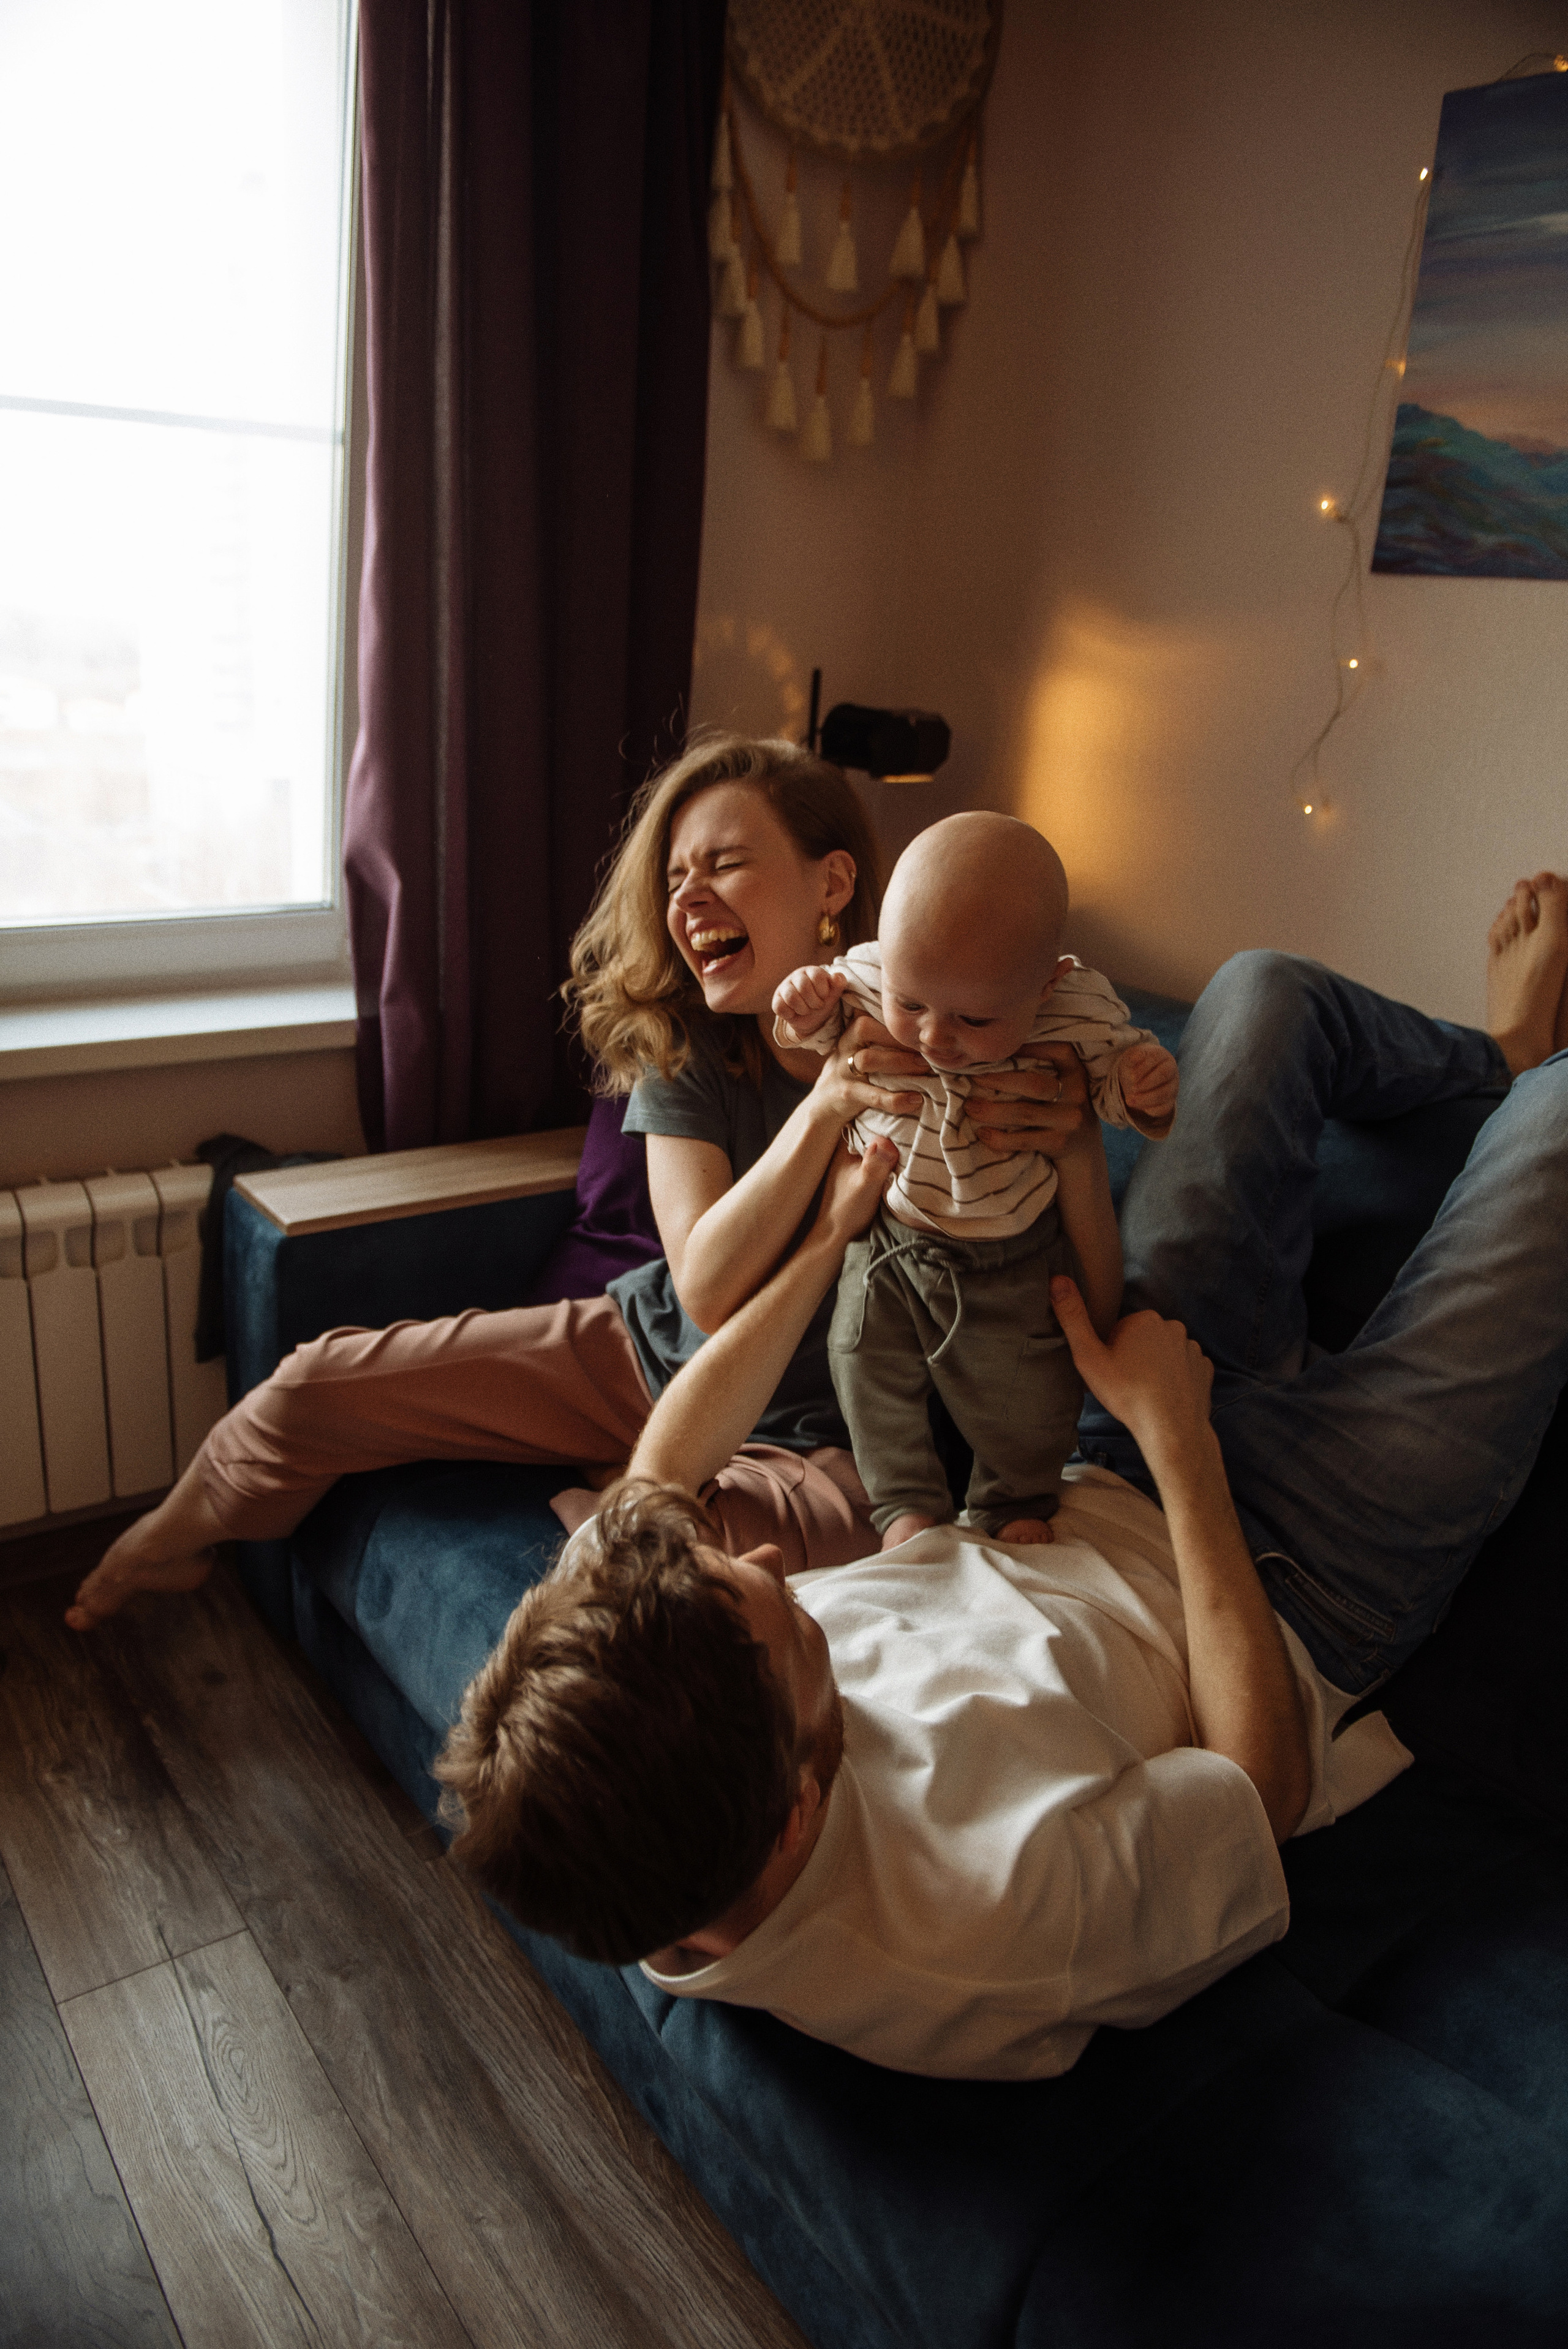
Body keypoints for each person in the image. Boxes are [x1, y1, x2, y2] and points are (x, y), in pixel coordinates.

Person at [433, 876, 1568, 2081]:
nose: (769, 1558)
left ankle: (1497, 1048)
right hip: (1304, 1579)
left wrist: (834, 1231)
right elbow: (1261, 1785)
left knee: (1259, 990)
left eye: (739, 1571)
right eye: (782, 1622)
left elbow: (661, 1469)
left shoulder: (637, 1730)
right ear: (798, 1817)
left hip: (1083, 1452)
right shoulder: (986, 1925)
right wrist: (1177, 1439)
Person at [66, 733, 1083, 1631]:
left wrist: (1074, 1118)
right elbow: (705, 1286)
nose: (687, 898)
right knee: (313, 1382)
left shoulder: (939, 1032)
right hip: (641, 1351)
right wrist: (823, 1111)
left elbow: (1050, 1146)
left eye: (725, 862)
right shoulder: (692, 1050)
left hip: (827, 1434)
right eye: (676, 875)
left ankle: (616, 1493)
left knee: (643, 1573)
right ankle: (167, 1537)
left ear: (830, 886)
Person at [772, 810, 1180, 1546]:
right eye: (912, 1003)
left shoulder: (1076, 1007)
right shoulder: (868, 972)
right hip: (890, 1240)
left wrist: (1140, 1087)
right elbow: (817, 1031)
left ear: (1047, 985)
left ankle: (1013, 1502)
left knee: (1028, 1395)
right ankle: (903, 1506)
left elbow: (1117, 1079)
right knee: (861, 1362)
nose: (933, 1037)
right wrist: (802, 1008)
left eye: (972, 1018)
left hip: (1012, 1255)